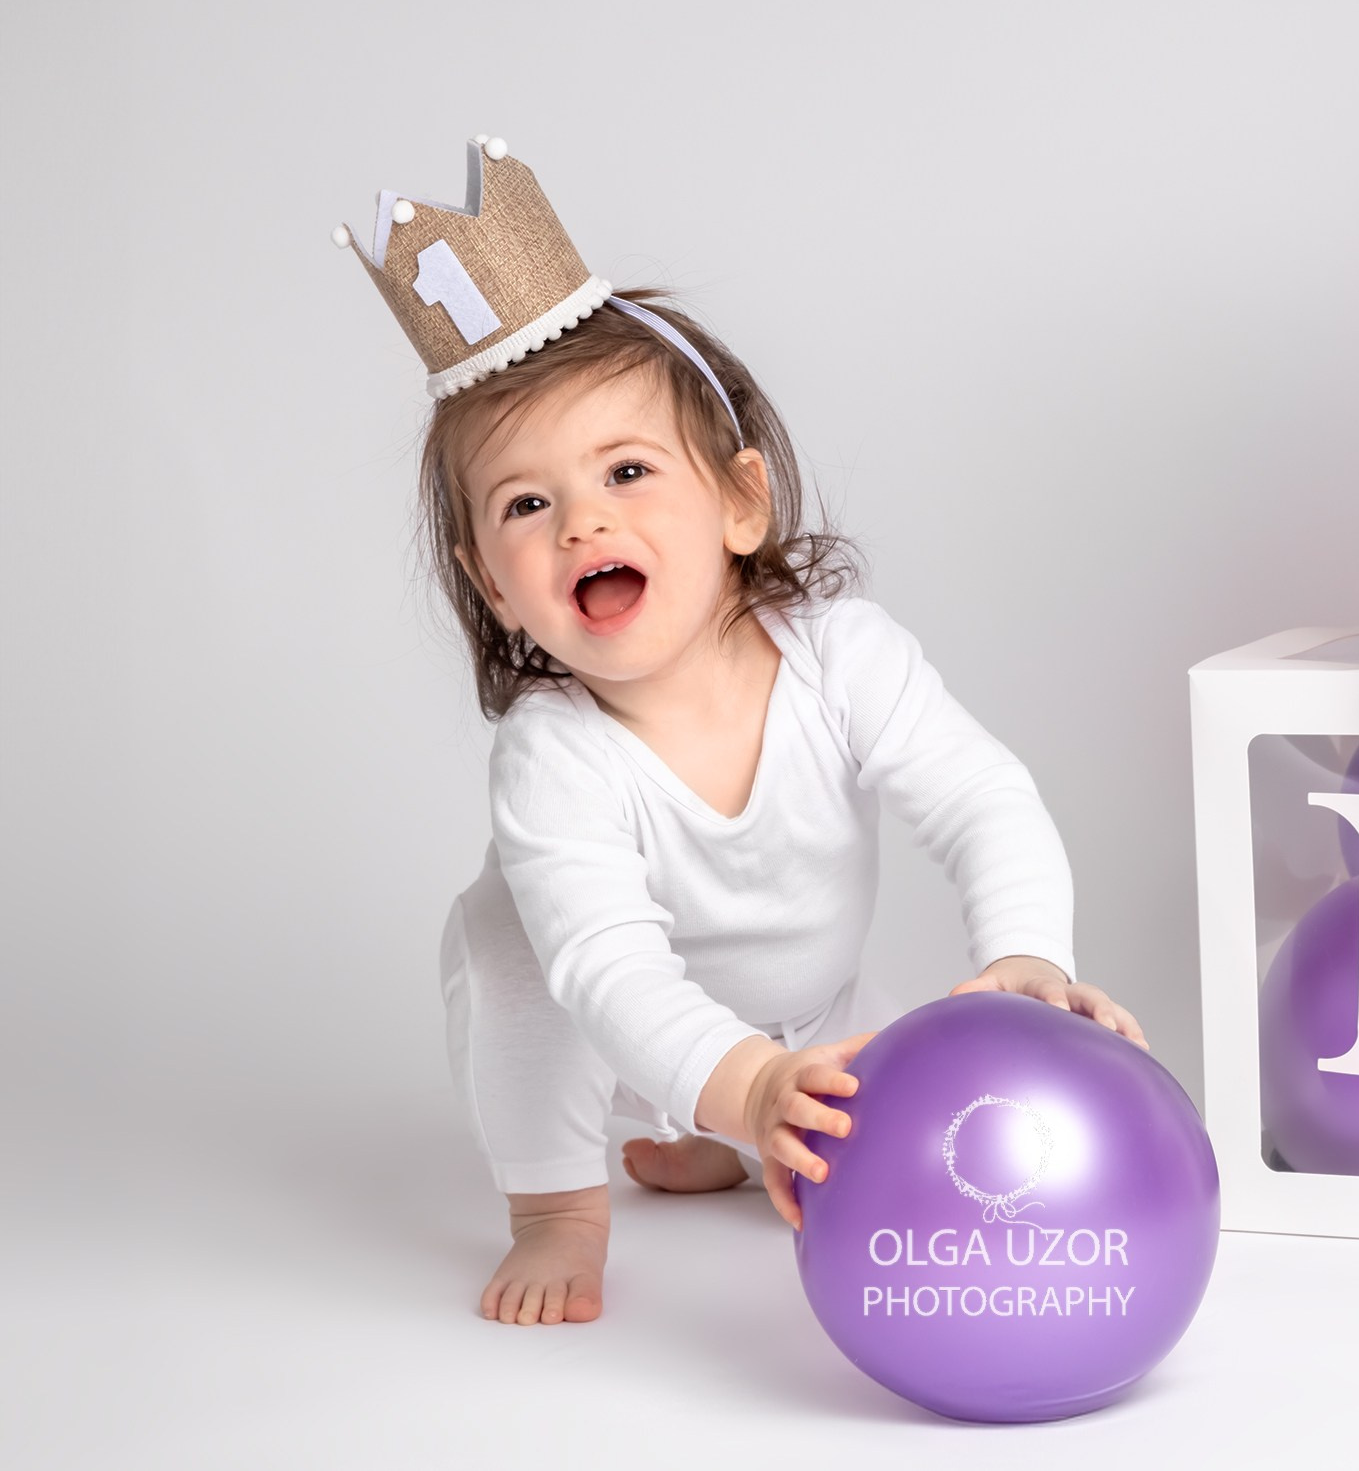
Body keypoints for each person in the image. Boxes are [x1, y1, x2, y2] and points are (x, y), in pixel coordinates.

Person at [336, 137, 1144, 1327]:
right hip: (595, 1022)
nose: (580, 522)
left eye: (625, 470)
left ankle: (718, 1132)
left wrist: (1029, 953)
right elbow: (610, 970)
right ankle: (558, 1205)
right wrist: (749, 1083)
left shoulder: (841, 656)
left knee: (851, 1104)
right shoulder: (554, 752)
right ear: (492, 582)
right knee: (513, 957)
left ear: (739, 500)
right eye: (527, 502)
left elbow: (981, 796)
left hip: (809, 998)